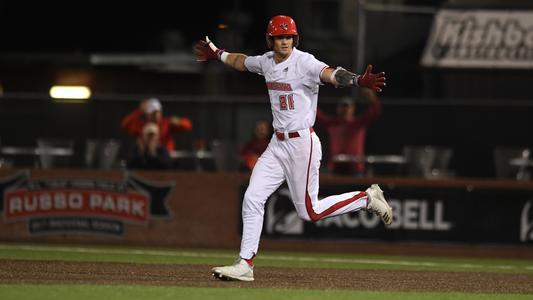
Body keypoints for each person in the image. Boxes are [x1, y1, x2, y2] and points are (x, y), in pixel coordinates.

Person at [195, 15, 392, 282]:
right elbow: (242, 62)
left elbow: (332, 74)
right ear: (271, 40)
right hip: (277, 144)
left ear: (295, 39)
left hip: (302, 144)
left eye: (288, 36)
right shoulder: (266, 61)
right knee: (253, 197)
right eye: (279, 36)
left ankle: (366, 198)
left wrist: (357, 81)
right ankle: (245, 264)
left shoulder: (305, 62)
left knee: (309, 212)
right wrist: (218, 53)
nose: (284, 40)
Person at [316, 88, 382, 176]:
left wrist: (372, 98)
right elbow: (316, 114)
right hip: (336, 168)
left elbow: (375, 111)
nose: (345, 109)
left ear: (352, 109)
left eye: (347, 106)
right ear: (338, 109)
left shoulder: (358, 123)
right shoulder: (332, 124)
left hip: (356, 168)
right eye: (343, 106)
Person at [121, 97, 193, 152]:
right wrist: (139, 110)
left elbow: (188, 126)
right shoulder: (141, 125)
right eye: (153, 113)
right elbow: (125, 124)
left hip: (164, 158)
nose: (156, 115)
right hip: (146, 158)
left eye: (157, 112)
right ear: (147, 114)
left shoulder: (166, 123)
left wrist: (179, 122)